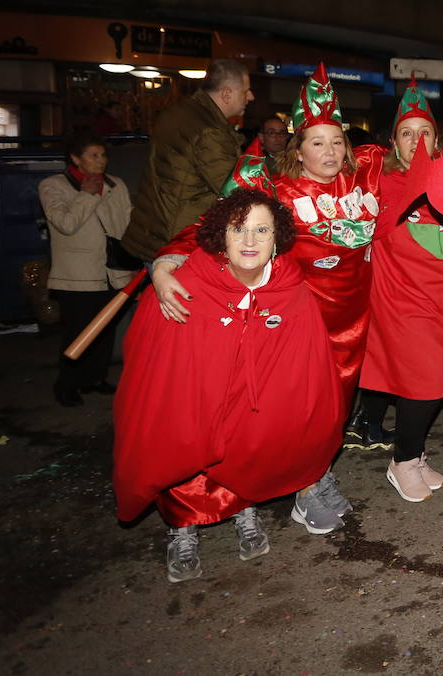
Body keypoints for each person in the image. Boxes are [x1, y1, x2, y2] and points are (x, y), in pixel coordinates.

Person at [150, 65, 412, 535]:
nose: (329, 151)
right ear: (298, 147)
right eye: (317, 142)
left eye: (337, 141)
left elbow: (413, 161)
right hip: (299, 323)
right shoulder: (276, 190)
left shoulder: (366, 176)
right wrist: (167, 259)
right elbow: (214, 225)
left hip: (354, 323)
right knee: (299, 411)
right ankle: (306, 489)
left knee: (335, 412)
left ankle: (317, 471)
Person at [112, 189, 344, 583]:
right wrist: (163, 268)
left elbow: (307, 366)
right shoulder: (186, 285)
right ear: (223, 235)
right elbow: (155, 368)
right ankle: (182, 529)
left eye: (261, 230)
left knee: (256, 429)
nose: (250, 241)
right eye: (239, 230)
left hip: (250, 408)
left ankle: (243, 507)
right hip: (198, 399)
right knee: (181, 434)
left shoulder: (290, 290)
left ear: (277, 239)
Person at [363, 81, 443, 501]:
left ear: (437, 138)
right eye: (407, 132)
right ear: (393, 141)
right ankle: (402, 460)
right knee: (423, 381)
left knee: (439, 381)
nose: (416, 139)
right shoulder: (381, 181)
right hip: (403, 299)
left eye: (424, 131)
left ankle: (415, 454)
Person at [122, 59, 252, 261]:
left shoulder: (180, 113)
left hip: (154, 231)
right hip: (178, 242)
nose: (250, 97)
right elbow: (235, 189)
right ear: (227, 94)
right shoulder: (210, 131)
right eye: (245, 91)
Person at [38, 133, 135, 406]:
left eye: (103, 155)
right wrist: (87, 196)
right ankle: (67, 385)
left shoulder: (117, 185)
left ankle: (95, 379)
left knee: (105, 332)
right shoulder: (53, 186)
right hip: (77, 274)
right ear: (76, 159)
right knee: (78, 332)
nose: (101, 161)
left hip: (112, 272)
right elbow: (65, 224)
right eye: (93, 155)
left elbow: (127, 223)